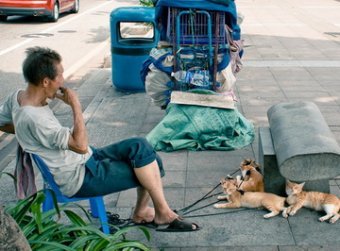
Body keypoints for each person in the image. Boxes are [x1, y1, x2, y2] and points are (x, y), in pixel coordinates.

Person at [0, 46, 199, 232]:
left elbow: (2, 122)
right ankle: (161, 214)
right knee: (151, 162)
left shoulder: (18, 97)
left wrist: (27, 134)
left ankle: (144, 212)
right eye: (60, 75)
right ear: (45, 81)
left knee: (140, 146)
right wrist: (75, 105)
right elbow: (80, 145)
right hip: (79, 177)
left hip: (86, 159)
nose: (63, 79)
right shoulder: (37, 120)